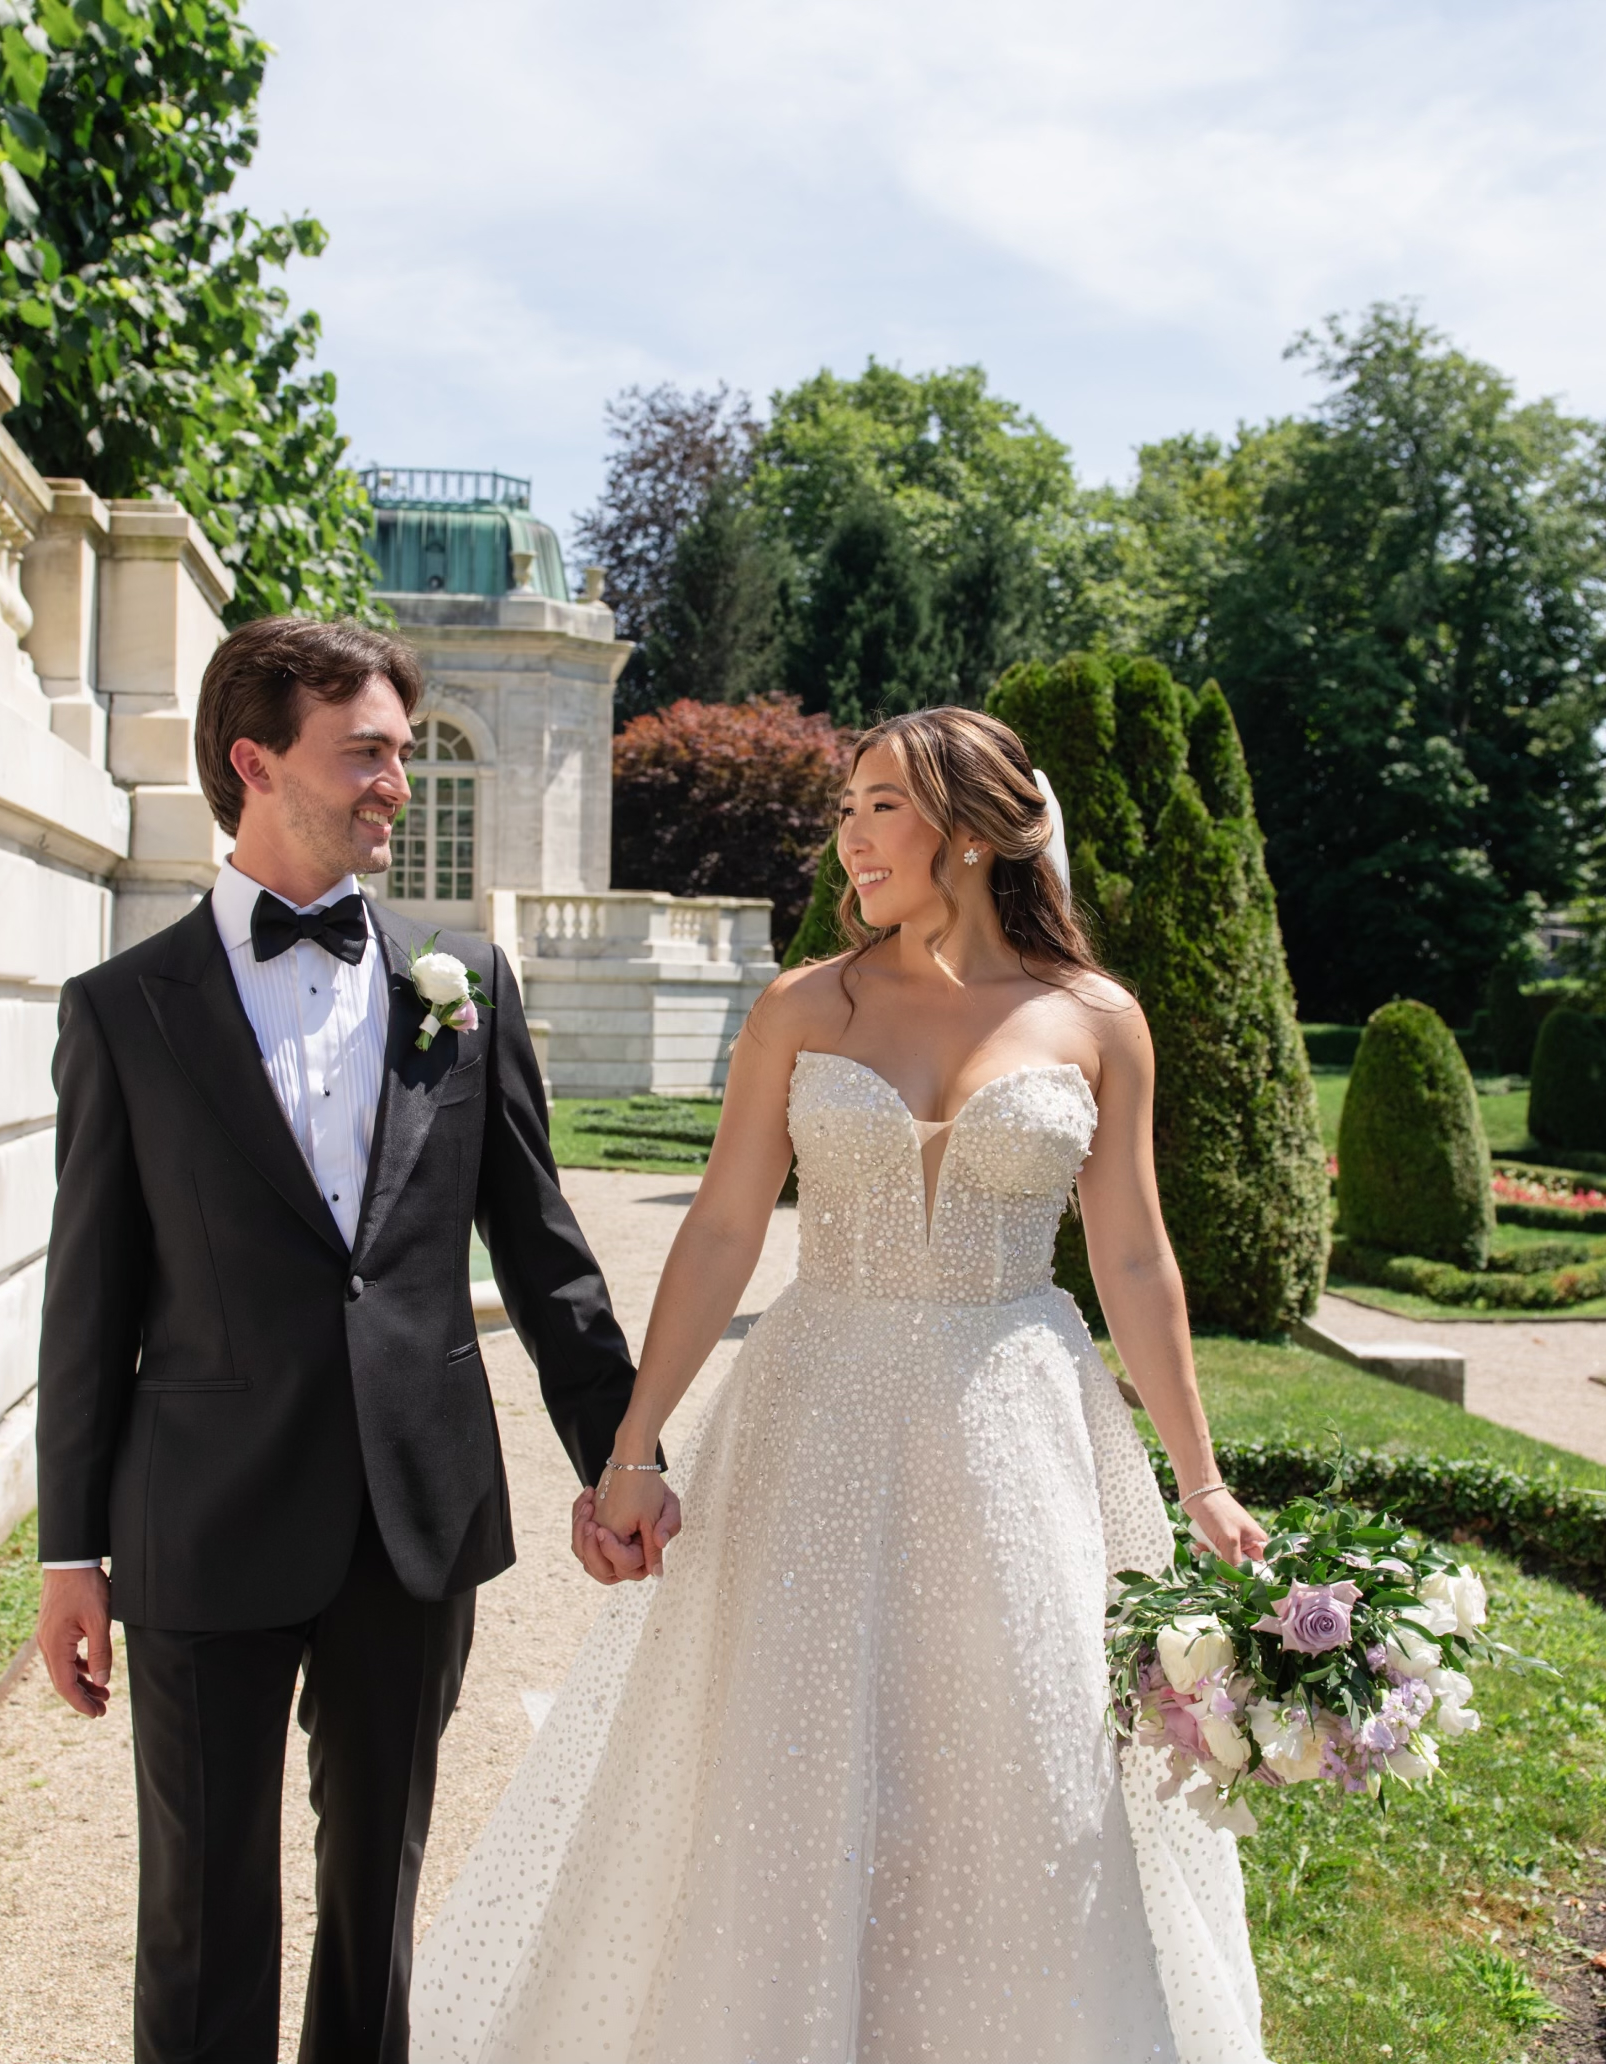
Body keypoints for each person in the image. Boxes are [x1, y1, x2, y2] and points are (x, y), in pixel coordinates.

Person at [412, 705, 1276, 2064]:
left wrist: (1204, 1476)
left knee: (1021, 1765)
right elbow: (720, 1231)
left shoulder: (1098, 1018)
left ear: (976, 830)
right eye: (847, 807)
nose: (851, 837)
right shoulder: (805, 1004)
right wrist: (634, 1447)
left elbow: (1131, 1252)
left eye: (882, 805)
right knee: (795, 1758)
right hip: (816, 1416)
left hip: (1021, 1434)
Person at [32, 615, 645, 2064]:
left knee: (378, 1898)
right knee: (200, 1912)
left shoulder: (463, 979)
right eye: (367, 753)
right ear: (255, 761)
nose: (397, 783)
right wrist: (73, 1552)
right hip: (203, 1515)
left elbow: (543, 1248)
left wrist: (625, 1455)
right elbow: (89, 1294)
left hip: (408, 1516)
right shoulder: (125, 1013)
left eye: (406, 753)